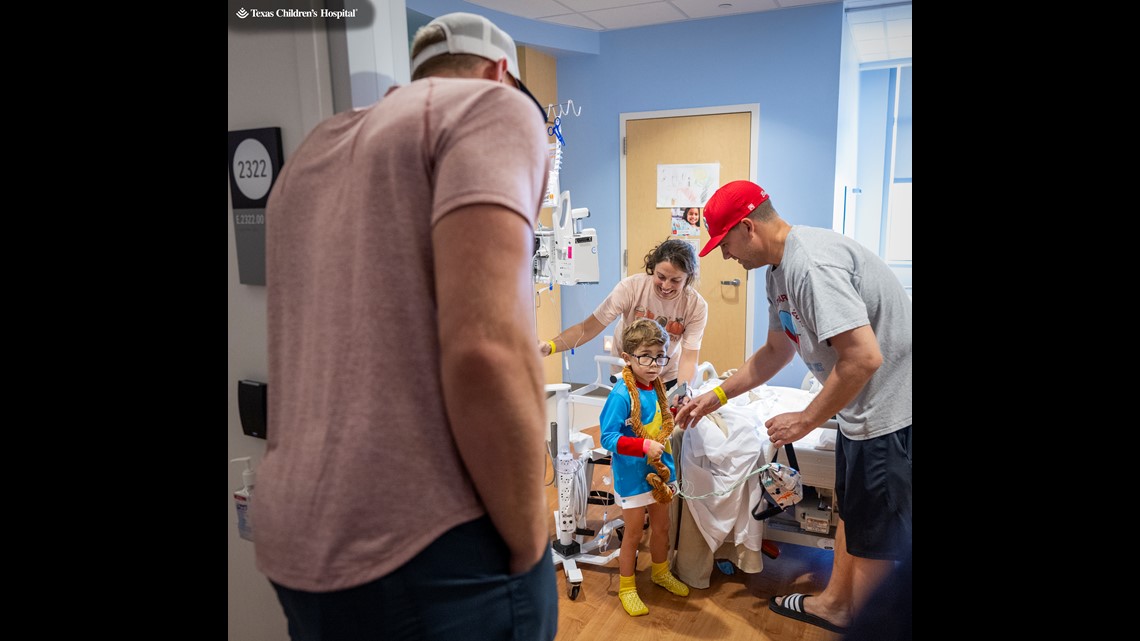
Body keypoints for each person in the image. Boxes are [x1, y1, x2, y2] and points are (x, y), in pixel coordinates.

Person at [254, 12, 557, 641]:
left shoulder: (316, 149)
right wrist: (532, 537)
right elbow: (486, 350)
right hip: (426, 547)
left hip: (296, 539)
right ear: (501, 74)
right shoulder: (492, 108)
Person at [674, 180, 911, 635]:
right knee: (855, 515)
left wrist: (806, 420)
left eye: (725, 244)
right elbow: (775, 352)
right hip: (862, 412)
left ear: (748, 227)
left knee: (877, 539)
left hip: (888, 413)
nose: (726, 257)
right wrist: (716, 396)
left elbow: (863, 357)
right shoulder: (779, 273)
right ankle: (837, 604)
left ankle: (867, 622)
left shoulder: (811, 265)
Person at [598, 318, 691, 617]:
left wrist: (677, 413)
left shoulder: (658, 388)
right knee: (635, 533)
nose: (654, 364)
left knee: (663, 526)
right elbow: (608, 437)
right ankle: (627, 586)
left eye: (660, 356)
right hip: (633, 477)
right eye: (646, 356)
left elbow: (661, 424)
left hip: (660, 473)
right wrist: (642, 446)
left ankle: (660, 571)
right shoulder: (622, 394)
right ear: (627, 357)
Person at [539, 238, 708, 393]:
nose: (665, 285)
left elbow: (689, 358)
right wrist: (551, 346)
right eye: (661, 277)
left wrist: (684, 391)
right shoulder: (631, 289)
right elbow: (588, 328)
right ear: (652, 269)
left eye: (675, 280)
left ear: (688, 278)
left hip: (664, 375)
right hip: (626, 372)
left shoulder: (695, 306)